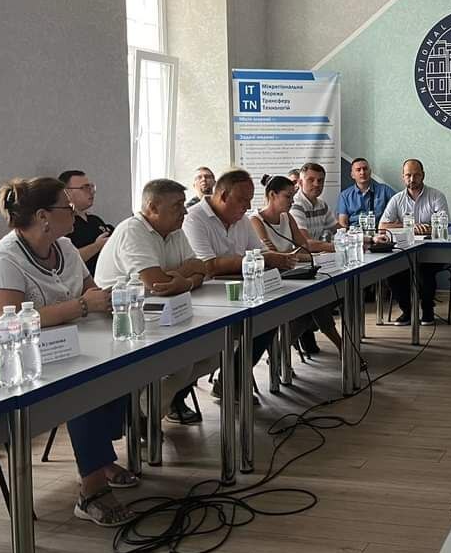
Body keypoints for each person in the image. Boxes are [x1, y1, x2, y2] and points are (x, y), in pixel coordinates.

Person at [0, 177, 133, 526]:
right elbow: (8, 322)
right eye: (67, 207)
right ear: (43, 216)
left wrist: (108, 300)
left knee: (119, 364)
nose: (74, 212)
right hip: (9, 362)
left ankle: (100, 458)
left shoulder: (66, 248)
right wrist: (81, 306)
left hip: (64, 345)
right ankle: (91, 491)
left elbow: (91, 292)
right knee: (82, 384)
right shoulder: (2, 259)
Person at [94, 179, 212, 425]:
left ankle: (149, 408)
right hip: (119, 321)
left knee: (215, 351)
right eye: (177, 205)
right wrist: (186, 272)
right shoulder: (133, 230)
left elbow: (202, 270)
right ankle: (142, 415)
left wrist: (185, 281)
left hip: (163, 313)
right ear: (153, 207)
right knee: (184, 361)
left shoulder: (175, 230)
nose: (185, 211)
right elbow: (157, 284)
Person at [183, 169, 301, 400]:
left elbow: (260, 253)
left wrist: (275, 259)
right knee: (206, 345)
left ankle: (232, 380)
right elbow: (208, 266)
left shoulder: (242, 220)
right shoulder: (194, 219)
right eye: (242, 200)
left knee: (270, 317)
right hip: (204, 299)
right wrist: (260, 259)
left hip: (238, 293)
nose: (247, 207)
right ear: (223, 196)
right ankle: (178, 398)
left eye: (250, 200)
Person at [251, 174, 341, 355]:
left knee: (315, 301)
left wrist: (294, 256)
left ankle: (280, 351)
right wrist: (292, 255)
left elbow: (304, 248)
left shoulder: (287, 217)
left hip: (292, 276)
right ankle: (341, 345)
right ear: (272, 195)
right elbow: (272, 257)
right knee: (314, 302)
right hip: (271, 281)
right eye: (288, 196)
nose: (292, 201)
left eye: (293, 196)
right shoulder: (255, 220)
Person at [379, 159, 450, 326]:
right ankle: (407, 311)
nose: (412, 179)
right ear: (403, 177)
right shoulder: (397, 199)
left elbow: (445, 223)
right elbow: (382, 226)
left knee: (424, 272)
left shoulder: (436, 196)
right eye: (408, 175)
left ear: (423, 175)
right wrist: (409, 226)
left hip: (432, 251)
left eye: (416, 175)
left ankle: (427, 310)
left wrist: (429, 228)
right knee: (393, 273)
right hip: (405, 250)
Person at [60, 170, 113, 277]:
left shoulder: (95, 220)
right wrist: (96, 246)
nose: (91, 192)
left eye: (91, 187)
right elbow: (66, 261)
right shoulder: (63, 224)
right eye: (84, 188)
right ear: (67, 192)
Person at [336, 157, 395, 229]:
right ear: (352, 175)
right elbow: (343, 223)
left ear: (370, 172)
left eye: (365, 169)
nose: (362, 172)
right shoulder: (345, 195)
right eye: (358, 170)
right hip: (355, 233)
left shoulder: (384, 190)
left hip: (379, 232)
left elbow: (399, 206)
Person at [290, 162, 336, 253]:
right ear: (300, 183)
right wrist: (340, 246)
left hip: (315, 256)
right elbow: (306, 243)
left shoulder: (322, 205)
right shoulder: (295, 206)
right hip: (298, 258)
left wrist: (361, 238)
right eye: (311, 180)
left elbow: (338, 230)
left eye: (320, 180)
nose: (316, 184)